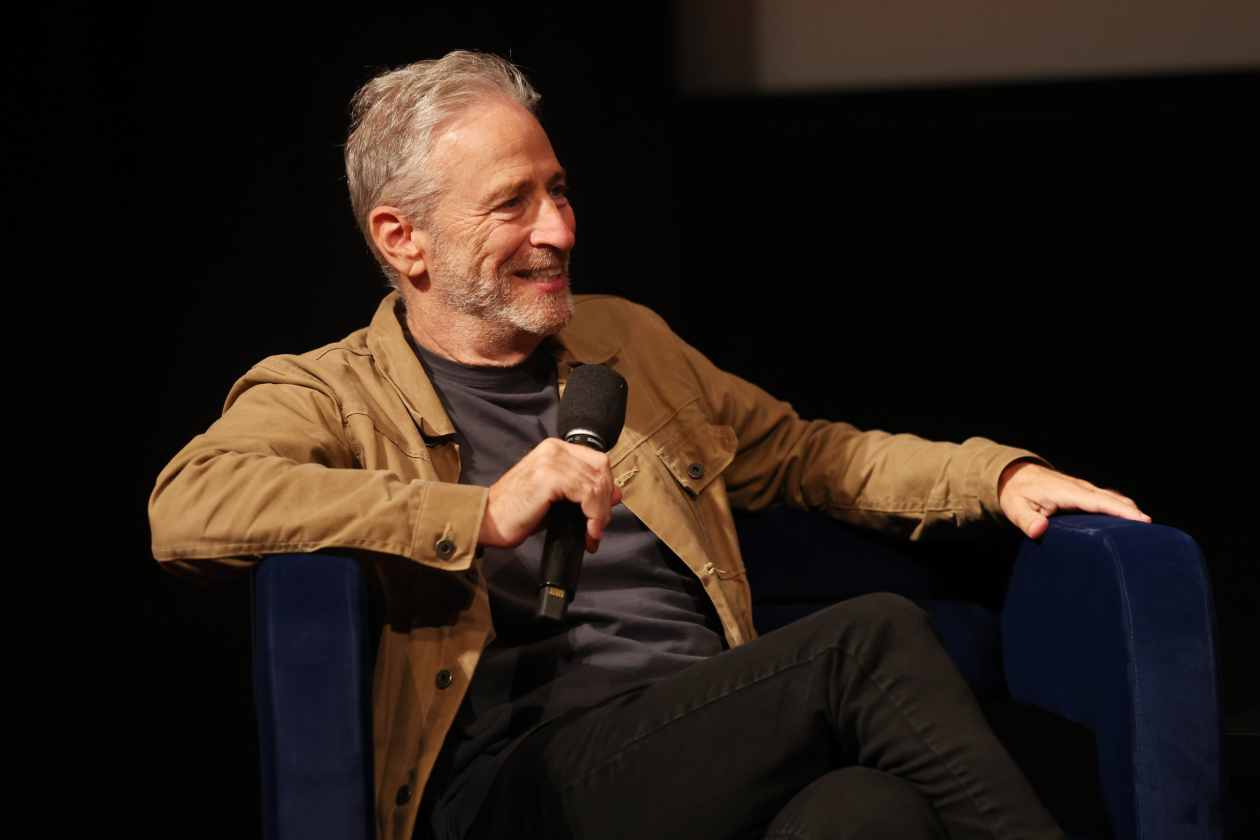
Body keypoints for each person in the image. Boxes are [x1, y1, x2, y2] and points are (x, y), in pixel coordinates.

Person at [149, 51, 1150, 840]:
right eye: (512, 204)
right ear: (403, 238)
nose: (558, 229)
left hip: (706, 740)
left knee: (864, 816)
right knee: (870, 638)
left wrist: (997, 474)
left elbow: (809, 454)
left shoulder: (627, 344)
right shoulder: (331, 390)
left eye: (561, 191)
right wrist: (478, 513)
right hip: (522, 785)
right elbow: (188, 504)